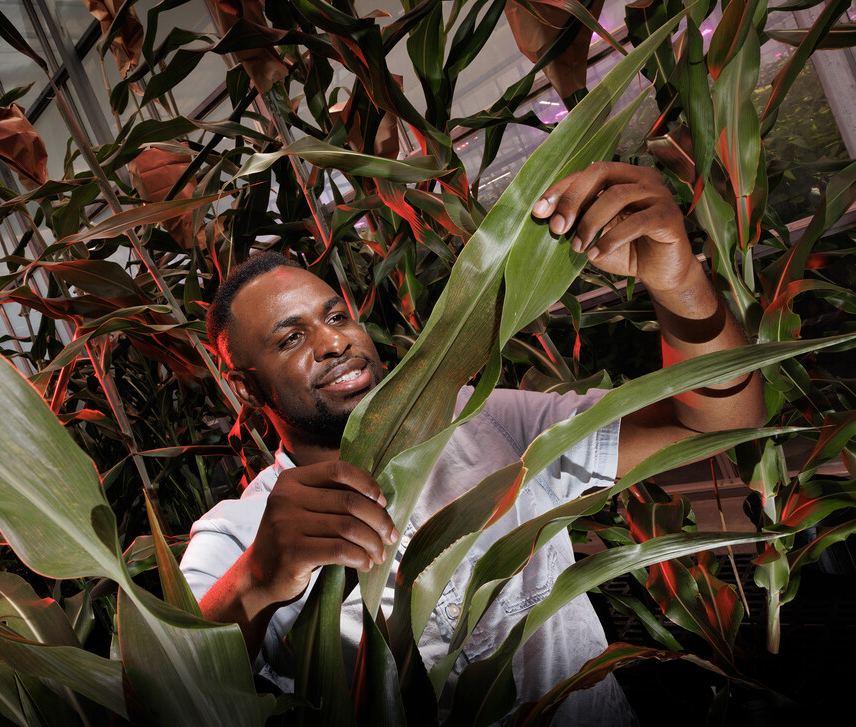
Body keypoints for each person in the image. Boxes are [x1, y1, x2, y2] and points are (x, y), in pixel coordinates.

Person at [179, 162, 765, 724]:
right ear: (245, 388)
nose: (333, 342)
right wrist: (257, 577)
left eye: (337, 316)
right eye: (290, 338)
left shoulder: (486, 421)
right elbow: (165, 699)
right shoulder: (236, 533)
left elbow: (713, 426)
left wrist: (679, 278)